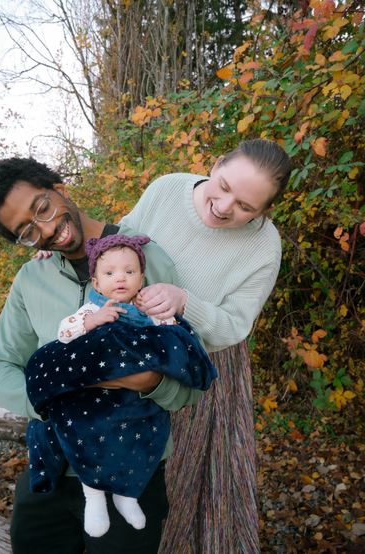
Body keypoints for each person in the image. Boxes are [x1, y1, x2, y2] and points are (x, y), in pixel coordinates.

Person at [0, 157, 204, 554]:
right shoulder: (32, 277)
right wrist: (56, 400)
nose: (46, 230)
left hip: (131, 468)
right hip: (49, 466)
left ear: (59, 189)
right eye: (26, 231)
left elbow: (188, 383)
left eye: (42, 208)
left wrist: (150, 383)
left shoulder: (147, 258)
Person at [117, 139, 292, 554]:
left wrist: (185, 302)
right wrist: (64, 255)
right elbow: (118, 244)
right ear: (215, 165)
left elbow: (236, 324)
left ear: (264, 212)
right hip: (128, 347)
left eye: (246, 207)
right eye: (224, 185)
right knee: (117, 460)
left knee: (183, 477)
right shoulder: (166, 189)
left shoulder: (264, 246)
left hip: (203, 365)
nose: (226, 206)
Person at [25, 234, 216, 539]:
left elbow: (172, 338)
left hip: (135, 400)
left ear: (141, 278)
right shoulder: (92, 310)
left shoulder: (148, 311)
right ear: (97, 283)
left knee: (142, 442)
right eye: (110, 273)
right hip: (94, 400)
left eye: (129, 272)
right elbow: (64, 334)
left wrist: (167, 330)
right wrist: (92, 322)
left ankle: (127, 497)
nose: (121, 278)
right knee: (88, 437)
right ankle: (95, 500)